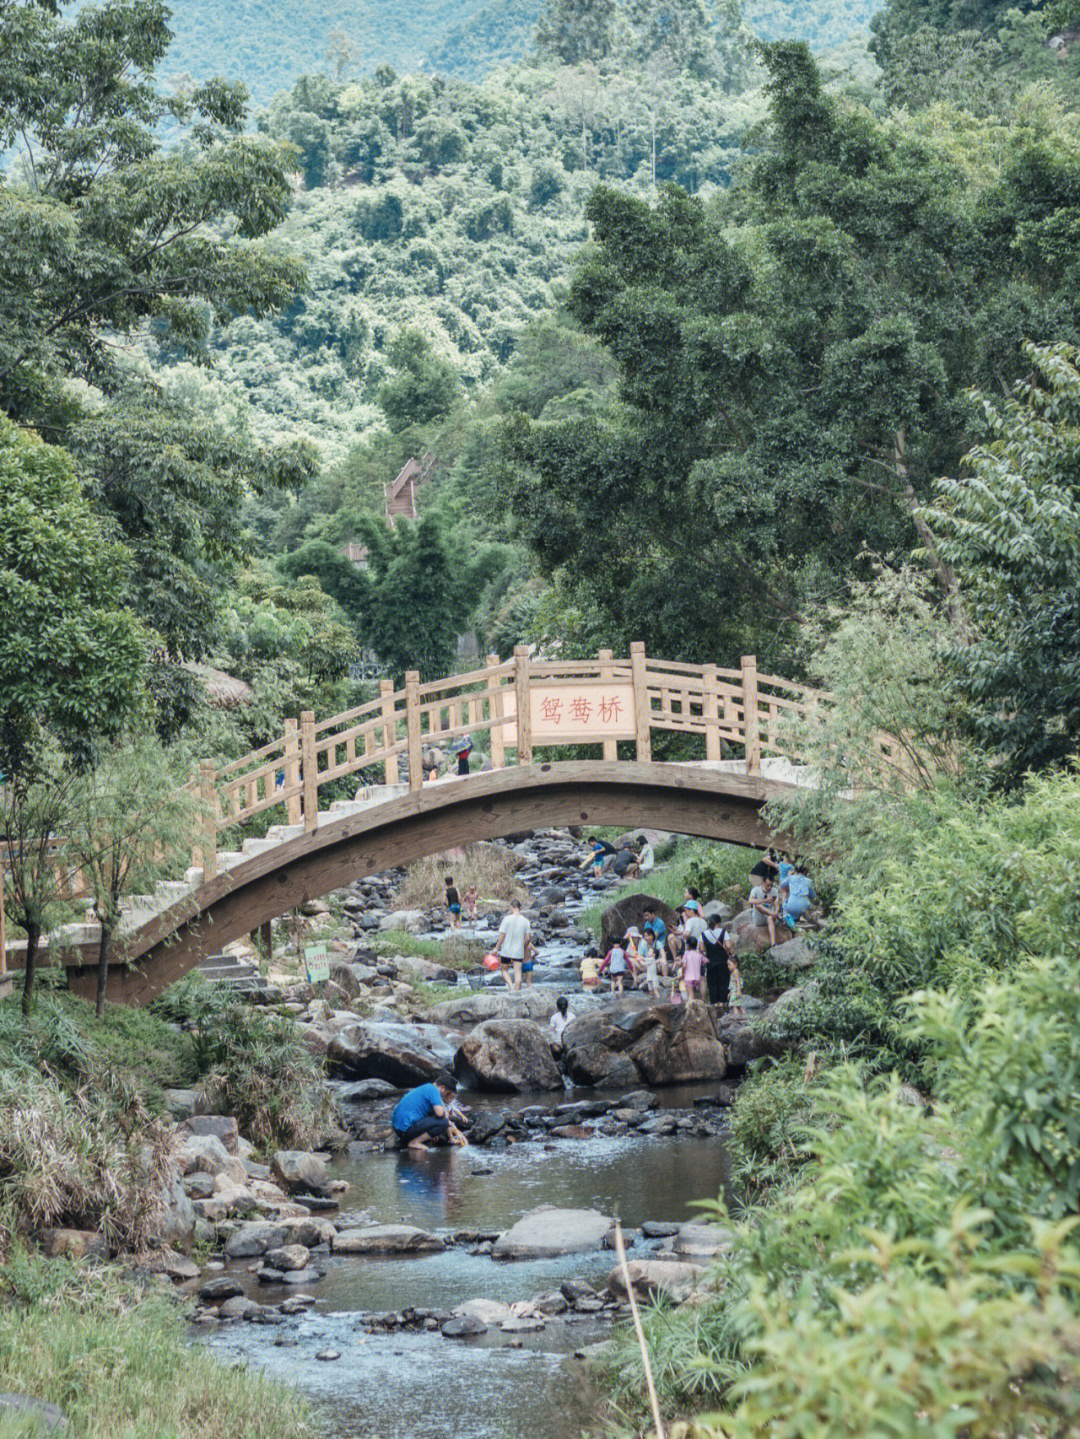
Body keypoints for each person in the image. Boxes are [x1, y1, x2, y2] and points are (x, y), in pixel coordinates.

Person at [391, 1073, 468, 1151]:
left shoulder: (426, 1087)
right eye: (446, 1094)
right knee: (443, 1122)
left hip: (399, 1128)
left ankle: (418, 1139)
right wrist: (455, 1130)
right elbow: (440, 1114)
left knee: (438, 1119)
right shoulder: (433, 1090)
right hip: (406, 1129)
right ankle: (415, 1142)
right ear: (442, 1088)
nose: (444, 1097)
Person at [494, 897, 532, 991]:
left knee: (504, 970)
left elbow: (502, 935)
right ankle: (517, 991)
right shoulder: (526, 921)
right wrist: (522, 947)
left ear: (511, 907)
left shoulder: (506, 919)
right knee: (517, 972)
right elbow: (528, 938)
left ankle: (511, 987)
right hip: (518, 951)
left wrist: (496, 948)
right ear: (520, 908)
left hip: (506, 950)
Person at [702, 920, 733, 1006]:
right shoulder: (723, 932)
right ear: (718, 923)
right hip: (723, 960)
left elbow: (701, 949)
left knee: (712, 982)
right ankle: (723, 1002)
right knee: (723, 981)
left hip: (710, 961)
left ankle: (714, 1002)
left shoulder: (704, 934)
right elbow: (729, 945)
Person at [782, 864, 817, 929]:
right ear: (805, 871)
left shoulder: (791, 878)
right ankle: (802, 917)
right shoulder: (809, 881)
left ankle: (787, 920)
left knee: (786, 901)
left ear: (796, 870)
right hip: (804, 907)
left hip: (791, 906)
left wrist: (789, 876)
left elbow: (782, 884)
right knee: (806, 900)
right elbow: (813, 896)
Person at [749, 875, 779, 947]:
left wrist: (777, 911)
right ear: (763, 883)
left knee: (770, 918)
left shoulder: (775, 891)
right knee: (758, 905)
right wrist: (765, 900)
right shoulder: (755, 890)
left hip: (770, 918)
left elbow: (776, 904)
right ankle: (775, 915)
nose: (769, 887)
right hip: (759, 918)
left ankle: (773, 943)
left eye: (771, 885)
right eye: (768, 885)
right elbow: (750, 901)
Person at [642, 907, 668, 976]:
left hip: (657, 945)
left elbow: (654, 937)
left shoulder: (660, 923)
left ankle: (665, 979)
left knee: (663, 961)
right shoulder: (647, 924)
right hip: (648, 946)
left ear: (653, 914)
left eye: (647, 915)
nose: (646, 917)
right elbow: (646, 936)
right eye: (645, 916)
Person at [681, 936, 704, 1005]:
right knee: (693, 992)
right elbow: (706, 961)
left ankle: (691, 1009)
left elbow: (684, 965)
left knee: (690, 994)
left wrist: (682, 974)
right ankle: (699, 1004)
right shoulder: (699, 955)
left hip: (689, 978)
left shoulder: (686, 955)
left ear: (688, 945)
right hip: (697, 978)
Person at [639, 926, 661, 999]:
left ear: (654, 955)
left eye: (650, 952)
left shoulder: (651, 960)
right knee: (650, 991)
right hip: (649, 978)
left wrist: (638, 958)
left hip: (653, 978)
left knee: (655, 990)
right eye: (645, 936)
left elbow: (643, 962)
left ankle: (658, 999)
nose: (648, 952)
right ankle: (652, 1000)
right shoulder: (649, 958)